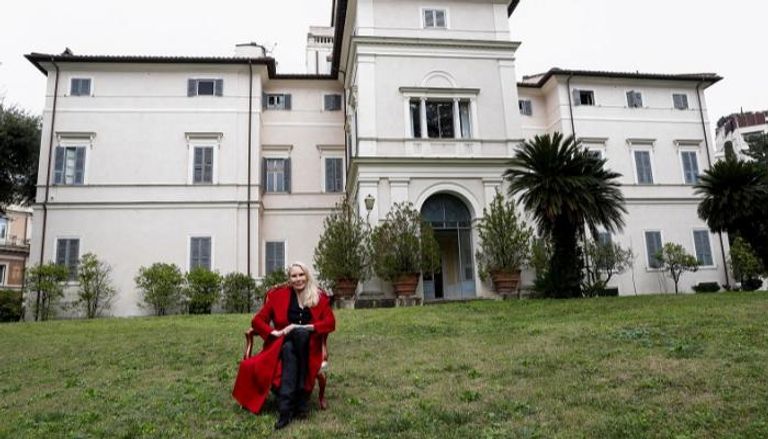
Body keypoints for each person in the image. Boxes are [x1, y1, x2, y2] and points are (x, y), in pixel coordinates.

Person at [232, 262, 336, 430]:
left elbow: (330, 323)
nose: (298, 279)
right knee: (288, 345)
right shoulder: (278, 296)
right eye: (294, 276)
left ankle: (285, 409)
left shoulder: (319, 297)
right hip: (281, 343)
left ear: (307, 276)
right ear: (289, 279)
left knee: (294, 343)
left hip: (309, 347)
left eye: (301, 275)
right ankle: (301, 398)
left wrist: (304, 327)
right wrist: (274, 332)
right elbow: (257, 320)